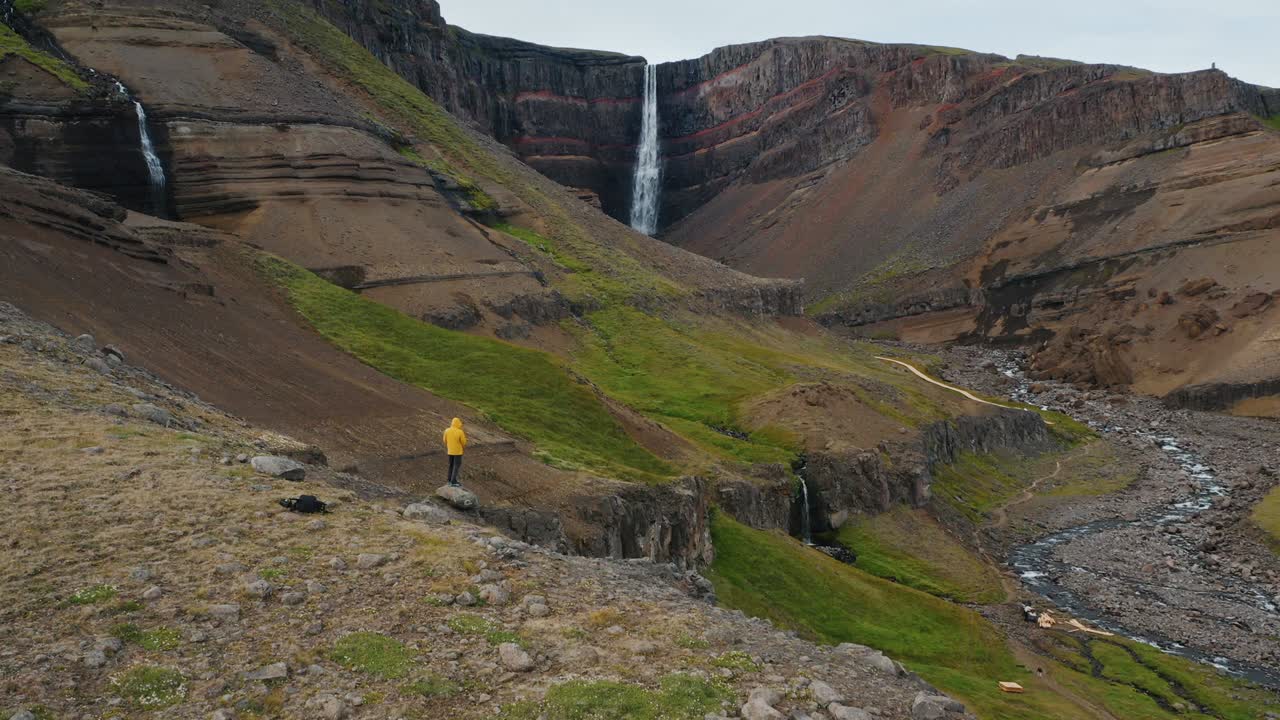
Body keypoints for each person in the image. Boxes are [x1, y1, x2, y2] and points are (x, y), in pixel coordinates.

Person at [443, 417, 467, 486]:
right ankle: (453, 481)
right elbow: (464, 442)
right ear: (458, 423)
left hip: (450, 451)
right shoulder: (460, 432)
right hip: (458, 452)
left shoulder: (447, 430)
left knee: (451, 465)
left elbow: (444, 440)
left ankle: (449, 479)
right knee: (456, 466)